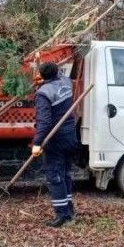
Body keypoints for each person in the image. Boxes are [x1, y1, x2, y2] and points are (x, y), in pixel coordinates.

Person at [32, 62, 78, 227]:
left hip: (56, 139)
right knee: (65, 174)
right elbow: (58, 77)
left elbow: (44, 122)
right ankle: (69, 210)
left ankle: (62, 216)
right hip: (70, 136)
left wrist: (37, 143)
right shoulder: (66, 82)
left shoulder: (43, 94)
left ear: (42, 76)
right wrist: (44, 81)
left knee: (54, 176)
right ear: (57, 72)